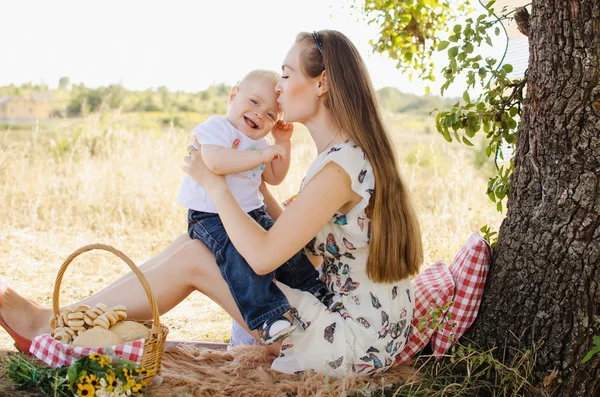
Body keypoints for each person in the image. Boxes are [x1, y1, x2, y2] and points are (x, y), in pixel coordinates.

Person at [0, 29, 423, 377]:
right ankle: (65, 320)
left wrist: (214, 182)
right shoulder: (343, 156)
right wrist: (248, 182)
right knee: (192, 244)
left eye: (287, 73)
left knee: (197, 257)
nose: (278, 86)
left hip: (351, 341)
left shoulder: (337, 169)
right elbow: (293, 229)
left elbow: (262, 257)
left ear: (322, 83)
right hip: (360, 320)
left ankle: (48, 326)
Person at [178, 69, 342, 344]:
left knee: (286, 249)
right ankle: (267, 316)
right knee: (239, 259)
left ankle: (315, 290)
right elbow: (216, 163)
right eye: (254, 102)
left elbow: (274, 177)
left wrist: (281, 143)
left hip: (251, 213)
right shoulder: (217, 128)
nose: (259, 114)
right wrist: (262, 155)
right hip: (210, 217)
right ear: (233, 95)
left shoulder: (261, 143)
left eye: (270, 115)